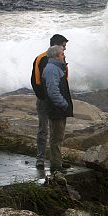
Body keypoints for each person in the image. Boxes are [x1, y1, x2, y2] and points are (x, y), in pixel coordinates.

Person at [30, 34, 68, 170]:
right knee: (43, 129)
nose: (65, 49)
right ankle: (40, 159)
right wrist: (44, 98)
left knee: (56, 132)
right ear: (56, 46)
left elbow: (64, 79)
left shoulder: (61, 58)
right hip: (45, 101)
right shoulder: (40, 58)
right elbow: (35, 81)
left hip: (56, 101)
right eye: (64, 46)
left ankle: (56, 160)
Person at [41, 43, 74, 173]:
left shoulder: (56, 67)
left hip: (58, 109)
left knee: (58, 136)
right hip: (56, 109)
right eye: (62, 54)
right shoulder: (52, 69)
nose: (64, 56)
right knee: (56, 137)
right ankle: (55, 165)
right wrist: (64, 104)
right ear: (55, 56)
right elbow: (53, 91)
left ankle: (58, 161)